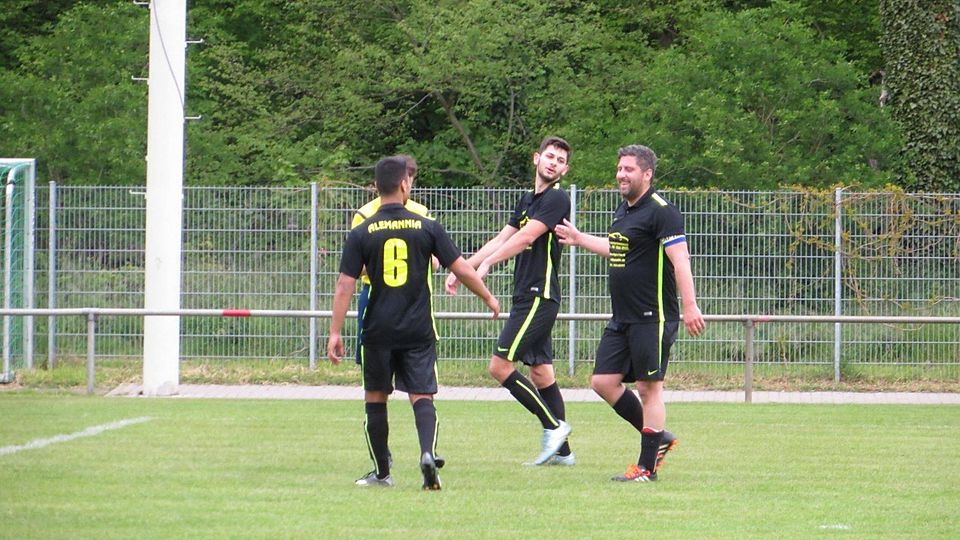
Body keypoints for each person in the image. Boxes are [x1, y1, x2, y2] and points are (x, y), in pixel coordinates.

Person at [328, 156, 500, 490]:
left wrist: (335, 331)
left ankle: (381, 473)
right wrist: (489, 298)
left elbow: (345, 285)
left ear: (377, 188)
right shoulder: (427, 226)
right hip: (418, 328)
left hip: (377, 329)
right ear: (405, 184)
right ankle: (426, 453)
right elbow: (461, 268)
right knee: (423, 396)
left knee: (375, 397)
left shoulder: (362, 230)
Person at [555, 144, 705, 482]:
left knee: (648, 388)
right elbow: (616, 249)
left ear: (647, 174)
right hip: (622, 317)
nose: (621, 174)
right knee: (603, 382)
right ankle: (659, 438)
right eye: (620, 168)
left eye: (629, 169)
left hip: (652, 316)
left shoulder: (662, 212)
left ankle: (646, 468)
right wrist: (580, 238)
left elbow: (680, 261)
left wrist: (691, 305)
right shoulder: (624, 212)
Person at [445, 136, 574, 466]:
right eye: (550, 156)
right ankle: (563, 454)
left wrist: (489, 264)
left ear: (565, 169)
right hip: (525, 296)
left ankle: (553, 427)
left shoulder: (557, 199)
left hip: (538, 297)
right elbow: (503, 238)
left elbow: (526, 237)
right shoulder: (527, 200)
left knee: (499, 366)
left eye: (560, 160)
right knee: (542, 374)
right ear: (536, 158)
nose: (554, 163)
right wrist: (466, 267)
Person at [351, 155, 435, 365]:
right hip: (375, 295)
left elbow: (434, 262)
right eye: (408, 180)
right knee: (374, 368)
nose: (409, 187)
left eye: (412, 180)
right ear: (400, 181)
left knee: (416, 369)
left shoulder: (422, 212)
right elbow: (354, 268)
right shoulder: (364, 214)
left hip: (414, 298)